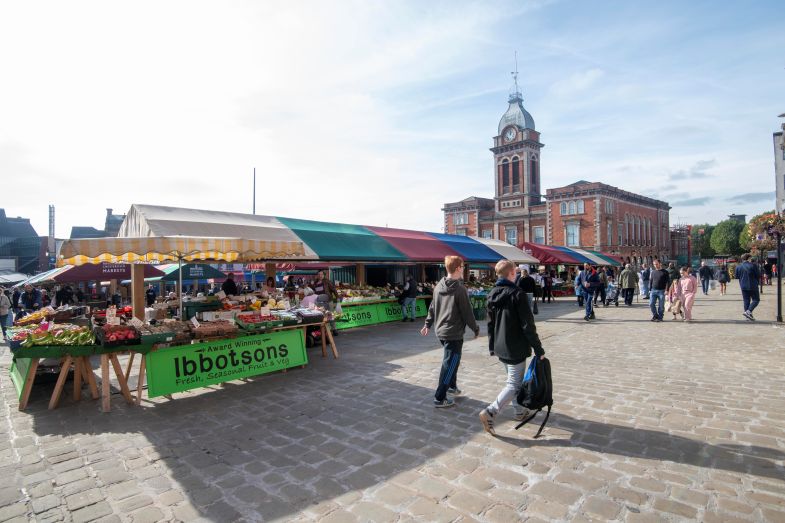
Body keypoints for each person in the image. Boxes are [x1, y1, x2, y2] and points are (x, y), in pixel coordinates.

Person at [479, 260, 545, 435]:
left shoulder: (492, 294)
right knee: (514, 384)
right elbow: (527, 325)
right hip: (515, 346)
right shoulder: (517, 294)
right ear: (511, 274)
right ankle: (490, 411)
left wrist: (492, 346)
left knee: (513, 381)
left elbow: (490, 324)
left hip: (501, 345)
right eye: (514, 272)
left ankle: (518, 410)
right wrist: (539, 349)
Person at [421, 256, 479, 408]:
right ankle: (439, 398)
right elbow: (467, 313)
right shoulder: (460, 289)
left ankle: (452, 386)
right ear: (458, 268)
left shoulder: (439, 285)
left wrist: (428, 323)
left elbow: (432, 307)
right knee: (450, 363)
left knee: (452, 360)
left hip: (441, 330)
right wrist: (476, 328)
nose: (464, 269)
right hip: (453, 333)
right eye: (463, 267)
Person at [735, 254, 761, 321]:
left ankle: (747, 317)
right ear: (749, 258)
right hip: (753, 285)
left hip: (743, 285)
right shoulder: (753, 265)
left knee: (746, 300)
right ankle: (748, 311)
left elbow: (736, 276)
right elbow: (758, 275)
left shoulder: (738, 266)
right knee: (756, 300)